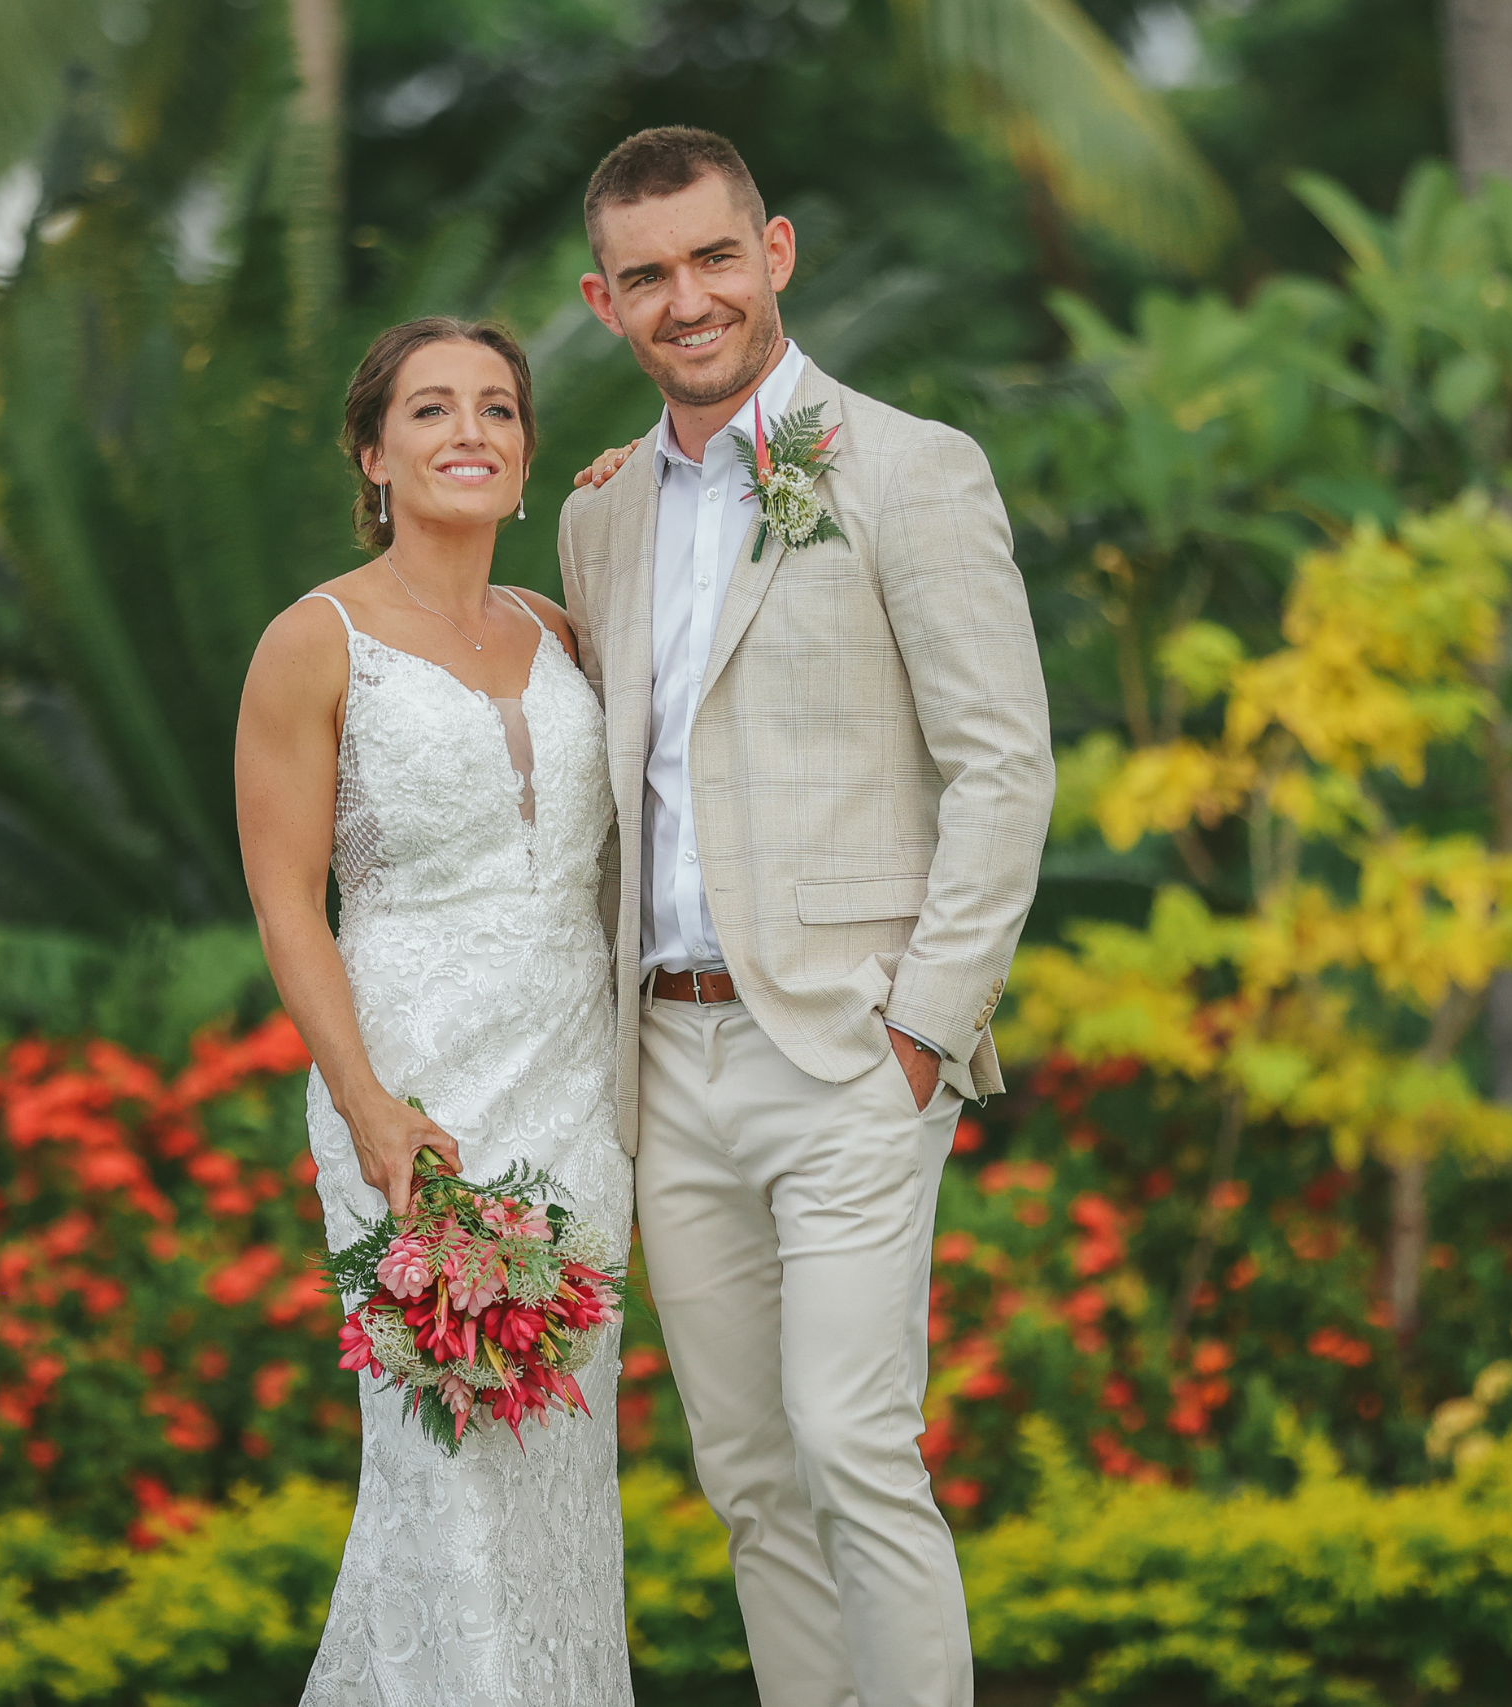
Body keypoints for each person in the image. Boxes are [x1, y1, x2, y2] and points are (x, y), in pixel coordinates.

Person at [558, 128, 1053, 1707]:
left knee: (852, 1442)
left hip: (851, 1043)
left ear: (775, 251)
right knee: (752, 1478)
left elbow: (1002, 763)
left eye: (713, 258)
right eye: (648, 277)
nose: (686, 298)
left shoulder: (913, 466)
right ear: (603, 302)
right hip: (668, 1057)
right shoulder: (598, 513)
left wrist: (921, 1027)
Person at [235, 316, 631, 1707]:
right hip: (411, 1101)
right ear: (374, 452)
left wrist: (641, 492)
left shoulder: (569, 631)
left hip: (579, 1097)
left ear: (526, 457)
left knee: (559, 1478)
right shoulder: (314, 640)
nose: (469, 431)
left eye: (499, 410)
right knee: (446, 1467)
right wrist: (367, 1106)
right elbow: (289, 903)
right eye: (431, 410)